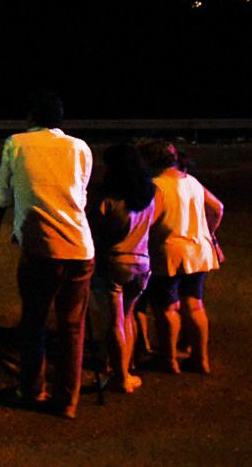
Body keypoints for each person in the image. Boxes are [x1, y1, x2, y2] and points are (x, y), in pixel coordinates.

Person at [0, 91, 93, 419]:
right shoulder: (80, 148)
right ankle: (68, 401)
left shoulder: (16, 144)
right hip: (80, 247)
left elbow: (1, 194)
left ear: (31, 117)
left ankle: (32, 389)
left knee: (35, 322)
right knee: (72, 328)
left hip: (40, 247)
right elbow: (79, 196)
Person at [140, 140, 224, 374]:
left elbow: (149, 221)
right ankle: (201, 358)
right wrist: (209, 231)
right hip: (198, 250)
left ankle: (169, 359)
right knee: (195, 305)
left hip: (168, 252)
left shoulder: (156, 186)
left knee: (167, 307)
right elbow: (217, 207)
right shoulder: (192, 182)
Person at [86, 144, 160, 393]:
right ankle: (125, 372)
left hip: (114, 262)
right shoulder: (149, 195)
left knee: (114, 322)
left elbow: (94, 229)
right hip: (142, 261)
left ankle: (119, 377)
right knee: (128, 317)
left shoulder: (108, 199)